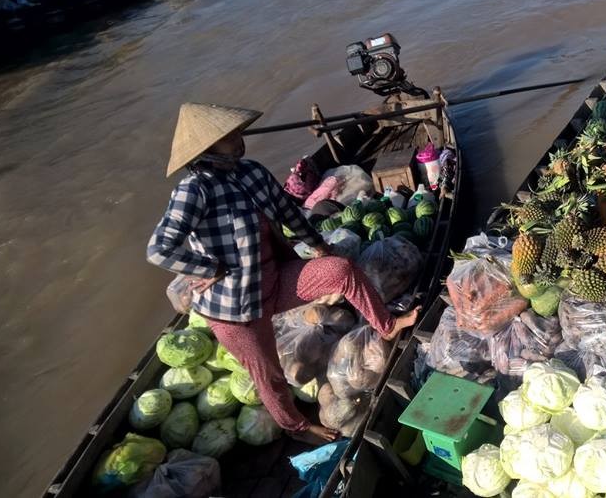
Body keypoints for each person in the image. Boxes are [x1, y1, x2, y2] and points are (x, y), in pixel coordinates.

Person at [147, 103, 420, 444]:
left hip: (273, 279)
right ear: (207, 149)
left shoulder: (251, 173)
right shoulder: (195, 189)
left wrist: (319, 246)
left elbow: (289, 213)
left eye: (235, 132)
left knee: (341, 270)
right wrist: (210, 268)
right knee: (270, 375)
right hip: (235, 309)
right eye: (227, 137)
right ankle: (298, 428)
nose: (238, 139)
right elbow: (159, 248)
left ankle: (386, 324)